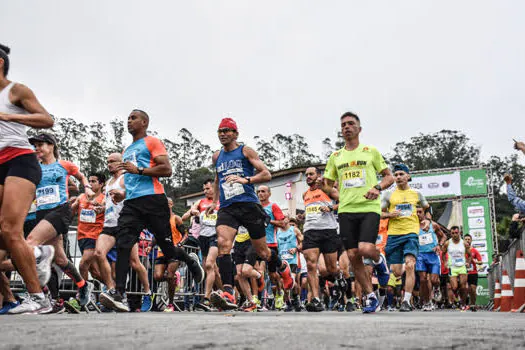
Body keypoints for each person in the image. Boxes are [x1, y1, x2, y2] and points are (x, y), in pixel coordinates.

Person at [100, 109, 203, 312]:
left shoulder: (152, 142)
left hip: (154, 200)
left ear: (144, 122)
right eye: (128, 118)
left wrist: (139, 170)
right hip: (132, 203)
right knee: (123, 243)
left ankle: (189, 260)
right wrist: (124, 194)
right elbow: (131, 179)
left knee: (168, 249)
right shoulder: (128, 149)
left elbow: (167, 169)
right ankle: (119, 292)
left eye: (133, 118)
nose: (129, 121)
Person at [206, 117, 293, 310]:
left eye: (228, 130)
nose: (223, 134)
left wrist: (246, 179)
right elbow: (217, 178)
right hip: (228, 207)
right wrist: (214, 201)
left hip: (248, 205)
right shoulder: (217, 156)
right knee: (223, 244)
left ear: (236, 133)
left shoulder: (245, 151)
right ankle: (228, 291)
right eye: (220, 131)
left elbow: (266, 174)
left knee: (262, 251)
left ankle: (282, 267)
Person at [0, 43, 55, 314]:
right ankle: (36, 253)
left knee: (10, 229)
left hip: (19, 160)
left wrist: (7, 115)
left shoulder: (15, 90)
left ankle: (38, 297)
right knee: (6, 234)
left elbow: (47, 119)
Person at [322, 112, 394, 313]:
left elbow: (389, 178)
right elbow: (327, 185)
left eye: (351, 124)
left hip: (368, 208)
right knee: (353, 255)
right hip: (346, 210)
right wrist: (338, 195)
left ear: (359, 129)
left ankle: (380, 261)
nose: (346, 127)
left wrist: (377, 188)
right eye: (343, 124)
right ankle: (371, 297)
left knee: (364, 248)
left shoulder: (370, 152)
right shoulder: (335, 157)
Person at [25, 133, 95, 308]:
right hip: (42, 213)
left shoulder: (63, 165)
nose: (37, 148)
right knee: (61, 260)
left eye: (41, 144)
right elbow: (33, 192)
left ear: (51, 146)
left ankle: (39, 294)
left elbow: (81, 177)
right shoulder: (36, 168)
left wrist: (87, 189)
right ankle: (84, 285)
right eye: (35, 145)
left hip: (59, 211)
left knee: (30, 244)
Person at [95, 153, 152, 312]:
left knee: (134, 262)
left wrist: (123, 195)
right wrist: (101, 208)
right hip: (109, 224)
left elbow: (138, 196)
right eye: (107, 161)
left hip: (126, 225)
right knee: (99, 253)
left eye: (112, 161)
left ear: (122, 163)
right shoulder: (108, 182)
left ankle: (148, 292)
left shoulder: (127, 178)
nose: (109, 164)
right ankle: (113, 292)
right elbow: (110, 203)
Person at [382, 163, 430, 312]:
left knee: (410, 265)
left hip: (411, 233)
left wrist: (427, 220)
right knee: (396, 271)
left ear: (408, 176)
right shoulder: (389, 195)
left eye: (401, 174)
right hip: (394, 235)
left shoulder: (417, 194)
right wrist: (390, 214)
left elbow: (427, 209)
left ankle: (406, 301)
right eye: (396, 175)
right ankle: (403, 285)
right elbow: (379, 213)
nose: (398, 177)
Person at [301, 167, 345, 312]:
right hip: (310, 231)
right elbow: (310, 210)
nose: (308, 176)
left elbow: (345, 202)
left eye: (311, 174)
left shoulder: (328, 190)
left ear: (318, 176)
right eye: (306, 175)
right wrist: (303, 217)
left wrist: (332, 208)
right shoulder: (305, 194)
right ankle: (316, 299)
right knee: (311, 265)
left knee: (331, 268)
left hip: (328, 230)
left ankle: (340, 278)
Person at [181, 179, 220, 309]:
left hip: (216, 236)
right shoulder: (201, 202)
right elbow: (184, 217)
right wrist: (193, 211)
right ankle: (225, 294)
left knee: (209, 265)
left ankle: (207, 298)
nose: (205, 191)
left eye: (208, 188)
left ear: (215, 188)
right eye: (204, 189)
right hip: (203, 238)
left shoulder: (221, 202)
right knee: (212, 269)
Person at [71, 173, 106, 281]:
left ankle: (83, 292)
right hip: (81, 236)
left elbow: (106, 207)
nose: (90, 184)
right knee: (95, 273)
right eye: (89, 181)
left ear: (101, 184)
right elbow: (70, 212)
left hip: (95, 236)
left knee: (82, 264)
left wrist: (98, 205)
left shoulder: (104, 198)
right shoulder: (81, 197)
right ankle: (114, 289)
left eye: (93, 181)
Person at [151, 199, 185, 313]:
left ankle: (170, 303)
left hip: (173, 251)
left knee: (170, 276)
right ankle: (174, 279)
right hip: (161, 251)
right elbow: (156, 235)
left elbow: (186, 234)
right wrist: (150, 246)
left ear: (171, 205)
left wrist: (180, 244)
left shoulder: (176, 219)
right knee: (157, 276)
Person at [257, 185, 287, 309]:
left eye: (263, 191)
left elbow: (283, 223)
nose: (260, 194)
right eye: (258, 191)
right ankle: (257, 300)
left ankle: (280, 295)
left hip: (271, 244)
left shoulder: (273, 206)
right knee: (257, 272)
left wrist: (269, 221)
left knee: (272, 274)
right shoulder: (255, 207)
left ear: (269, 193)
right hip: (257, 244)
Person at [415, 206, 445, 311]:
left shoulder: (433, 225)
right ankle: (427, 302)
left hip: (432, 255)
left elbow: (443, 236)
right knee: (423, 280)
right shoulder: (413, 226)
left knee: (433, 280)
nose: (418, 214)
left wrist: (439, 246)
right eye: (416, 212)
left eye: (420, 212)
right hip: (420, 256)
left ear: (424, 213)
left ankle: (437, 288)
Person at [443, 226, 471, 310]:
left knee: (463, 286)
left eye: (456, 233)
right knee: (454, 287)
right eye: (452, 233)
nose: (455, 235)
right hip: (452, 267)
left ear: (459, 233)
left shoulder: (464, 243)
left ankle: (463, 303)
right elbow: (443, 253)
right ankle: (457, 298)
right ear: (450, 234)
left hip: (462, 266)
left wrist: (468, 263)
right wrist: (445, 262)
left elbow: (469, 255)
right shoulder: (447, 243)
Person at [464, 234, 482, 311]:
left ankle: (473, 304)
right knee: (466, 288)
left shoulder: (474, 251)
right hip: (464, 272)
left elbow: (481, 262)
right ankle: (465, 303)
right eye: (466, 239)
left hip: (473, 272)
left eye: (469, 239)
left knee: (473, 290)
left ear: (471, 240)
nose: (467, 241)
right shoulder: (461, 250)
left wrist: (475, 261)